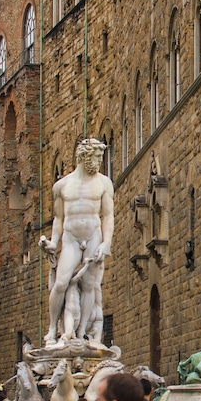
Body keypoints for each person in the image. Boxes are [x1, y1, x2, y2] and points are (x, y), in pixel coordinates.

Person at [40, 138, 114, 347]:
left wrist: (106, 243)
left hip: (93, 236)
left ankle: (81, 333)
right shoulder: (62, 186)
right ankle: (53, 329)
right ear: (84, 157)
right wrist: (54, 242)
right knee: (61, 283)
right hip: (71, 238)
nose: (100, 161)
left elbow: (108, 216)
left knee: (90, 285)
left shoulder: (103, 183)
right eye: (97, 157)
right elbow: (58, 219)